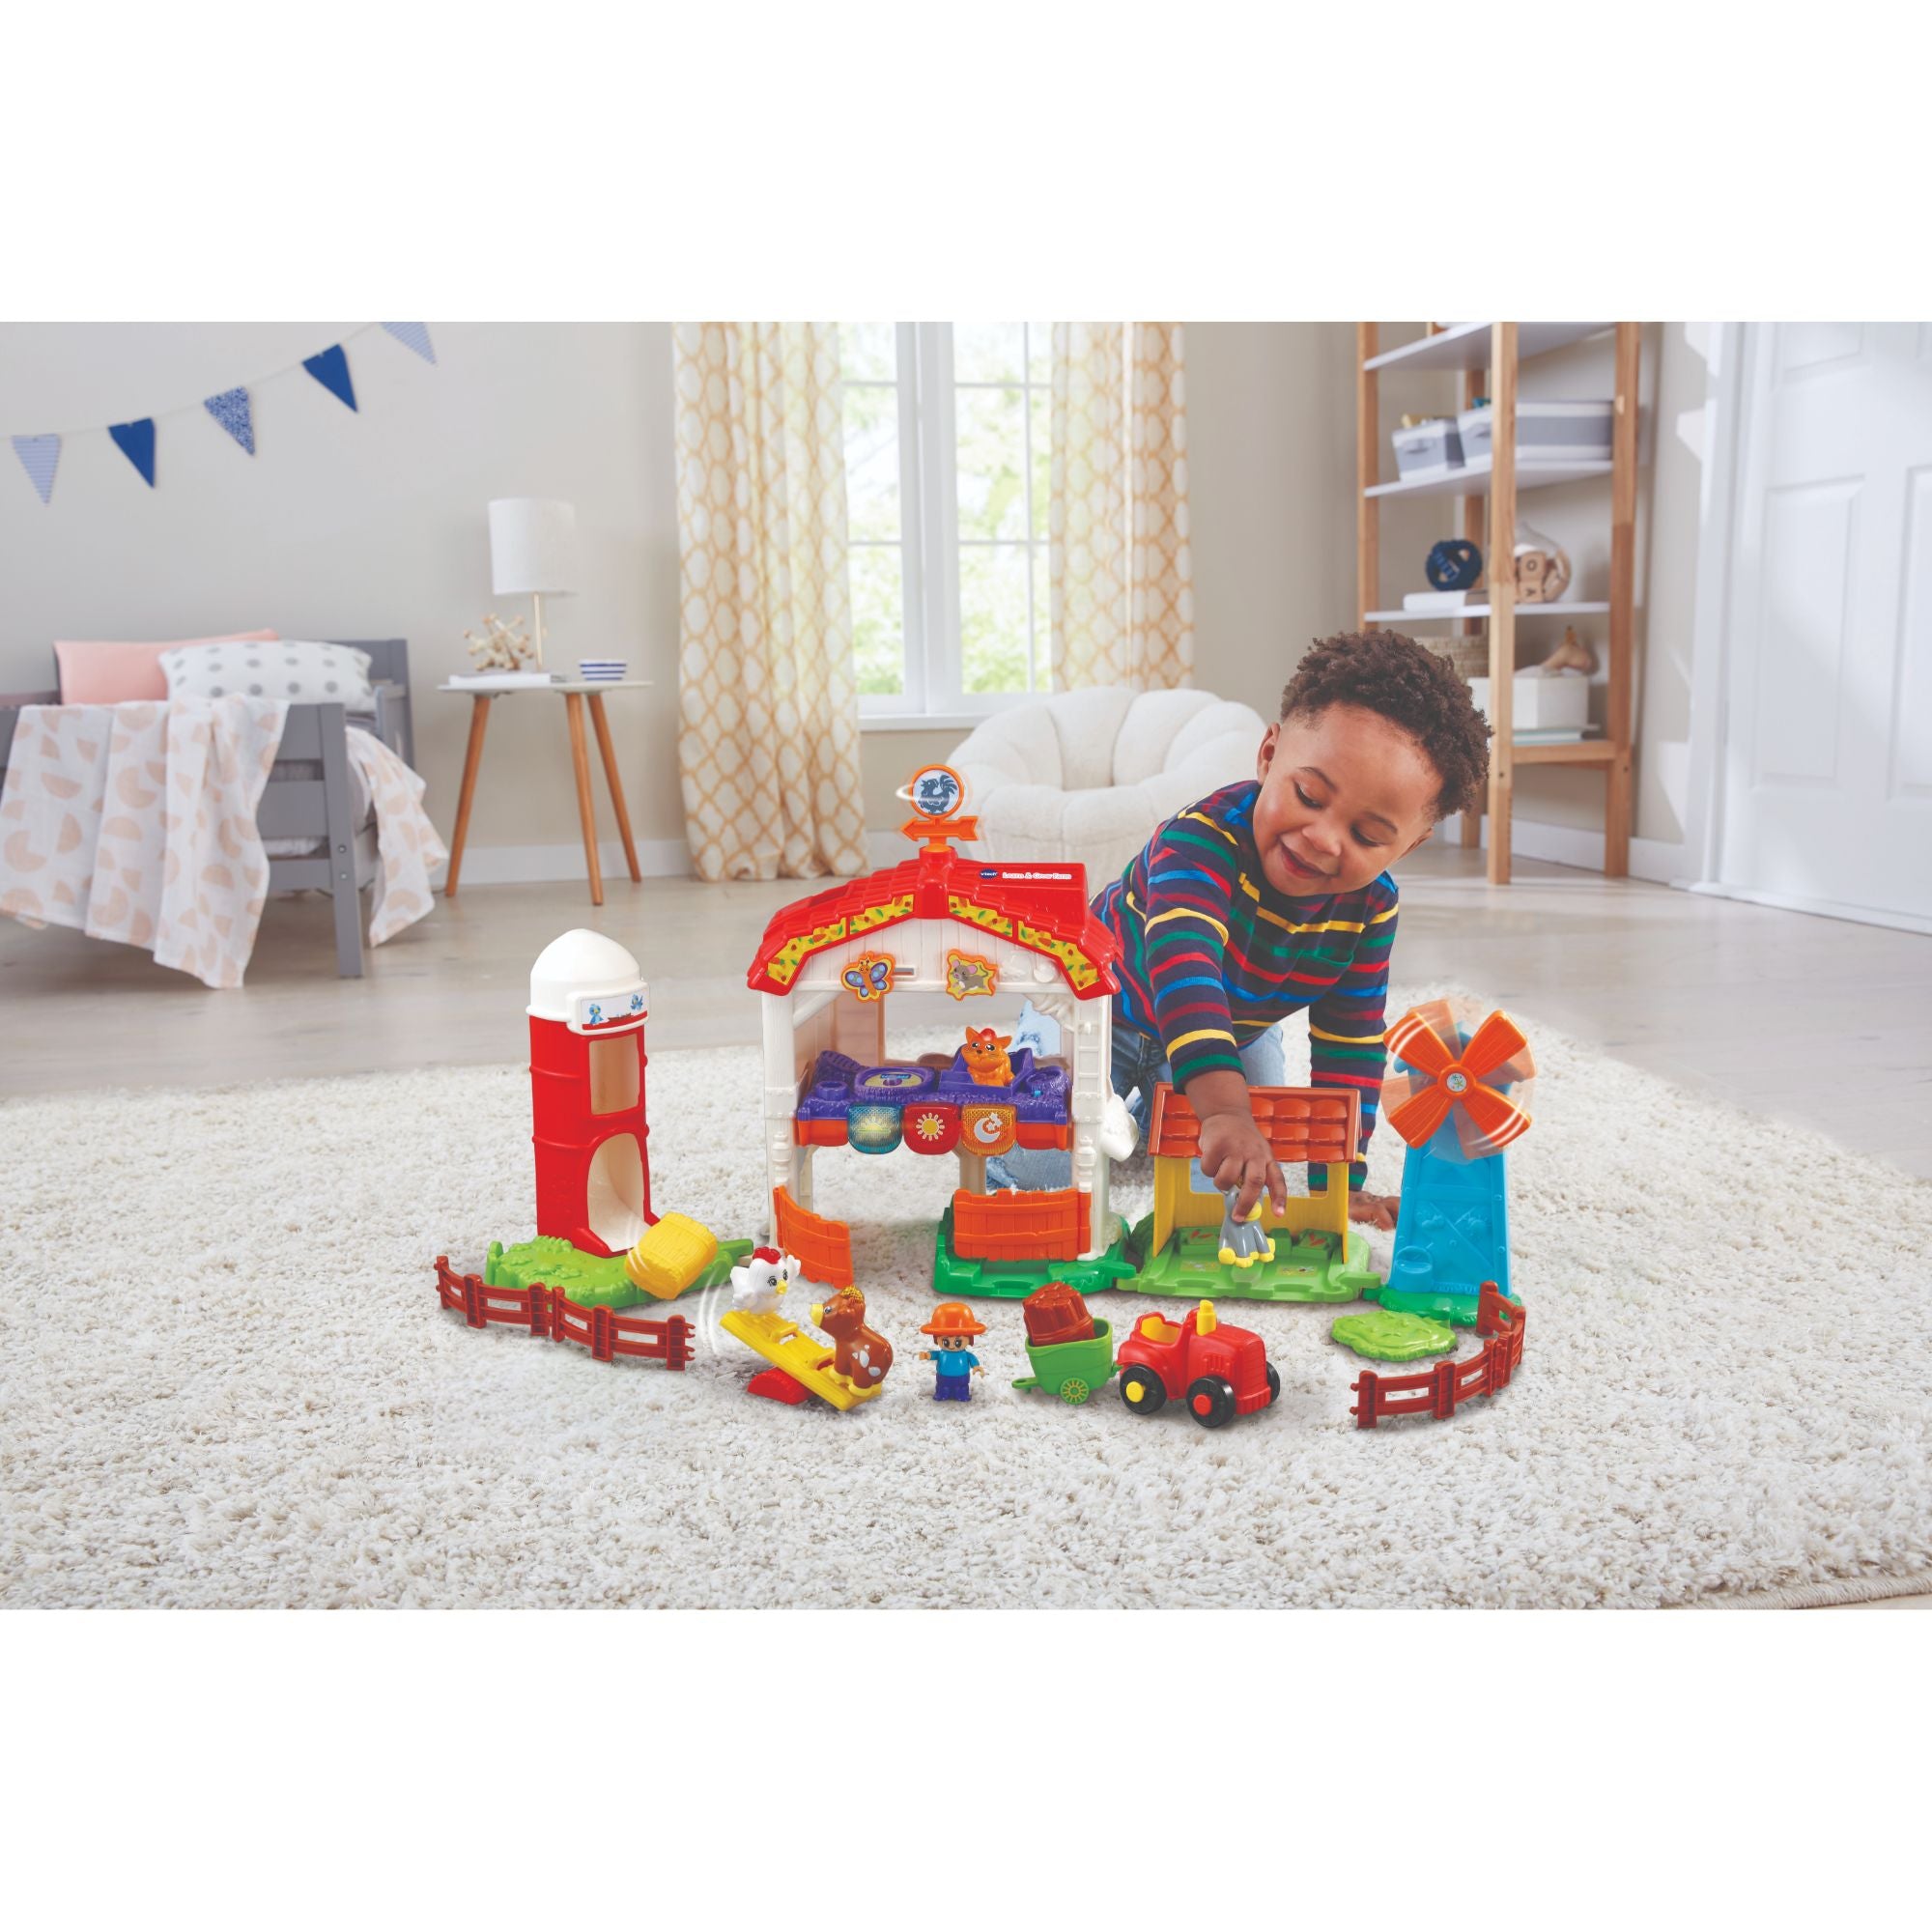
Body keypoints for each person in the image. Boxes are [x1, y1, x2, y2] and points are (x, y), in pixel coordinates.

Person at [985, 630, 1492, 1232]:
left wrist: (1340, 1184)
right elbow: (1186, 970)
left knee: (1233, 1190)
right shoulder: (1196, 844)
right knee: (1036, 1171)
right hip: (1092, 1008)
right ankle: (1148, 1104)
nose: (1323, 838)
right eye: (1308, 796)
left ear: (1408, 845)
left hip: (1229, 1029)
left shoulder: (1372, 907)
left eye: (1367, 836)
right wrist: (1225, 1111)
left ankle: (1155, 1111)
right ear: (1268, 755)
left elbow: (1350, 1040)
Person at [917, 1302, 988, 1402]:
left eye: (957, 1342)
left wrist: (976, 1366)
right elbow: (934, 1354)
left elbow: (972, 1358)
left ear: (969, 1338)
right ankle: (941, 1394)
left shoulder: (965, 1354)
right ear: (937, 1338)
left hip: (962, 1378)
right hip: (943, 1377)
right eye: (946, 1342)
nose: (951, 1346)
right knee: (942, 1387)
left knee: (962, 1388)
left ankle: (962, 1395)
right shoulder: (942, 1353)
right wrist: (926, 1355)